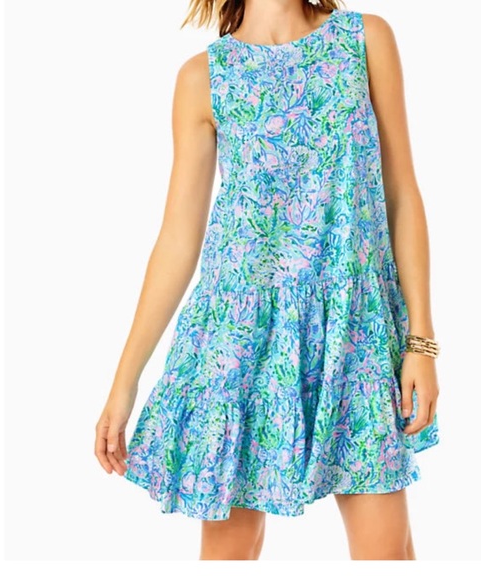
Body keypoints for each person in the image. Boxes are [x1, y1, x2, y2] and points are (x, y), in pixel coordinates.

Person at [94, 0, 441, 561]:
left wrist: (420, 341)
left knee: (387, 554)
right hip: (238, 340)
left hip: (352, 334)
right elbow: (178, 239)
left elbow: (402, 192)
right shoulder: (203, 78)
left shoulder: (364, 40)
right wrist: (124, 382)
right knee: (229, 555)